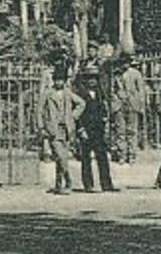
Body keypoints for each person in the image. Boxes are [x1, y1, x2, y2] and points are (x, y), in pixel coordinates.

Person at [37, 65, 84, 196]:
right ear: (53, 80)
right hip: (53, 129)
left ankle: (58, 184)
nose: (59, 82)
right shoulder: (47, 93)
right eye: (57, 80)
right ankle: (68, 180)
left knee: (60, 158)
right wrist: (42, 127)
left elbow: (81, 103)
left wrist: (74, 116)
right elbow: (39, 111)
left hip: (67, 129)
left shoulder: (68, 93)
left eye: (61, 80)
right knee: (61, 156)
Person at [76, 68, 118, 193]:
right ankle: (88, 184)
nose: (92, 81)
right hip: (86, 129)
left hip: (98, 130)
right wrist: (80, 129)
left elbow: (104, 110)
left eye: (94, 78)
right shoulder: (80, 94)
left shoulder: (100, 94)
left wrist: (105, 120)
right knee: (86, 158)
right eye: (90, 78)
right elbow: (77, 114)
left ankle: (106, 184)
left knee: (102, 157)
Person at [112, 56, 150, 163]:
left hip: (132, 104)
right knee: (120, 131)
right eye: (122, 63)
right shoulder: (116, 75)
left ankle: (132, 154)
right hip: (120, 105)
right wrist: (117, 99)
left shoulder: (136, 74)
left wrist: (139, 104)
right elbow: (113, 91)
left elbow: (141, 90)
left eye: (126, 62)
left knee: (132, 131)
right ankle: (122, 155)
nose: (124, 65)